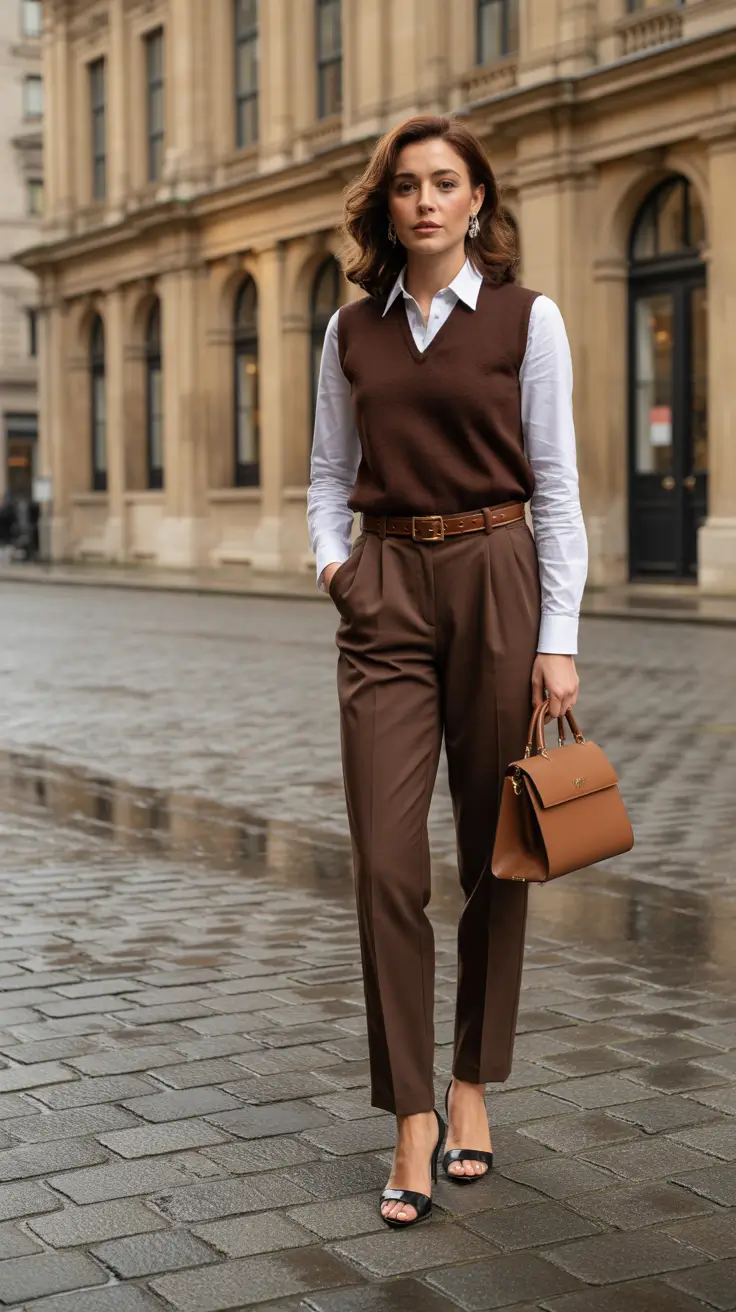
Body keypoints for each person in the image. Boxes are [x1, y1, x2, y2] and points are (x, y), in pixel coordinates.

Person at [307, 114, 587, 1229]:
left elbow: (559, 485)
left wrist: (556, 634)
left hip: (497, 577)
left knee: (495, 851)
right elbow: (329, 470)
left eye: (445, 183)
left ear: (477, 200)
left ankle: (472, 1084)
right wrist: (337, 567)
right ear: (385, 207)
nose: (424, 201)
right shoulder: (348, 332)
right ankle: (409, 1111)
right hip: (385, 591)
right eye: (406, 186)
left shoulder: (529, 318)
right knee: (384, 861)